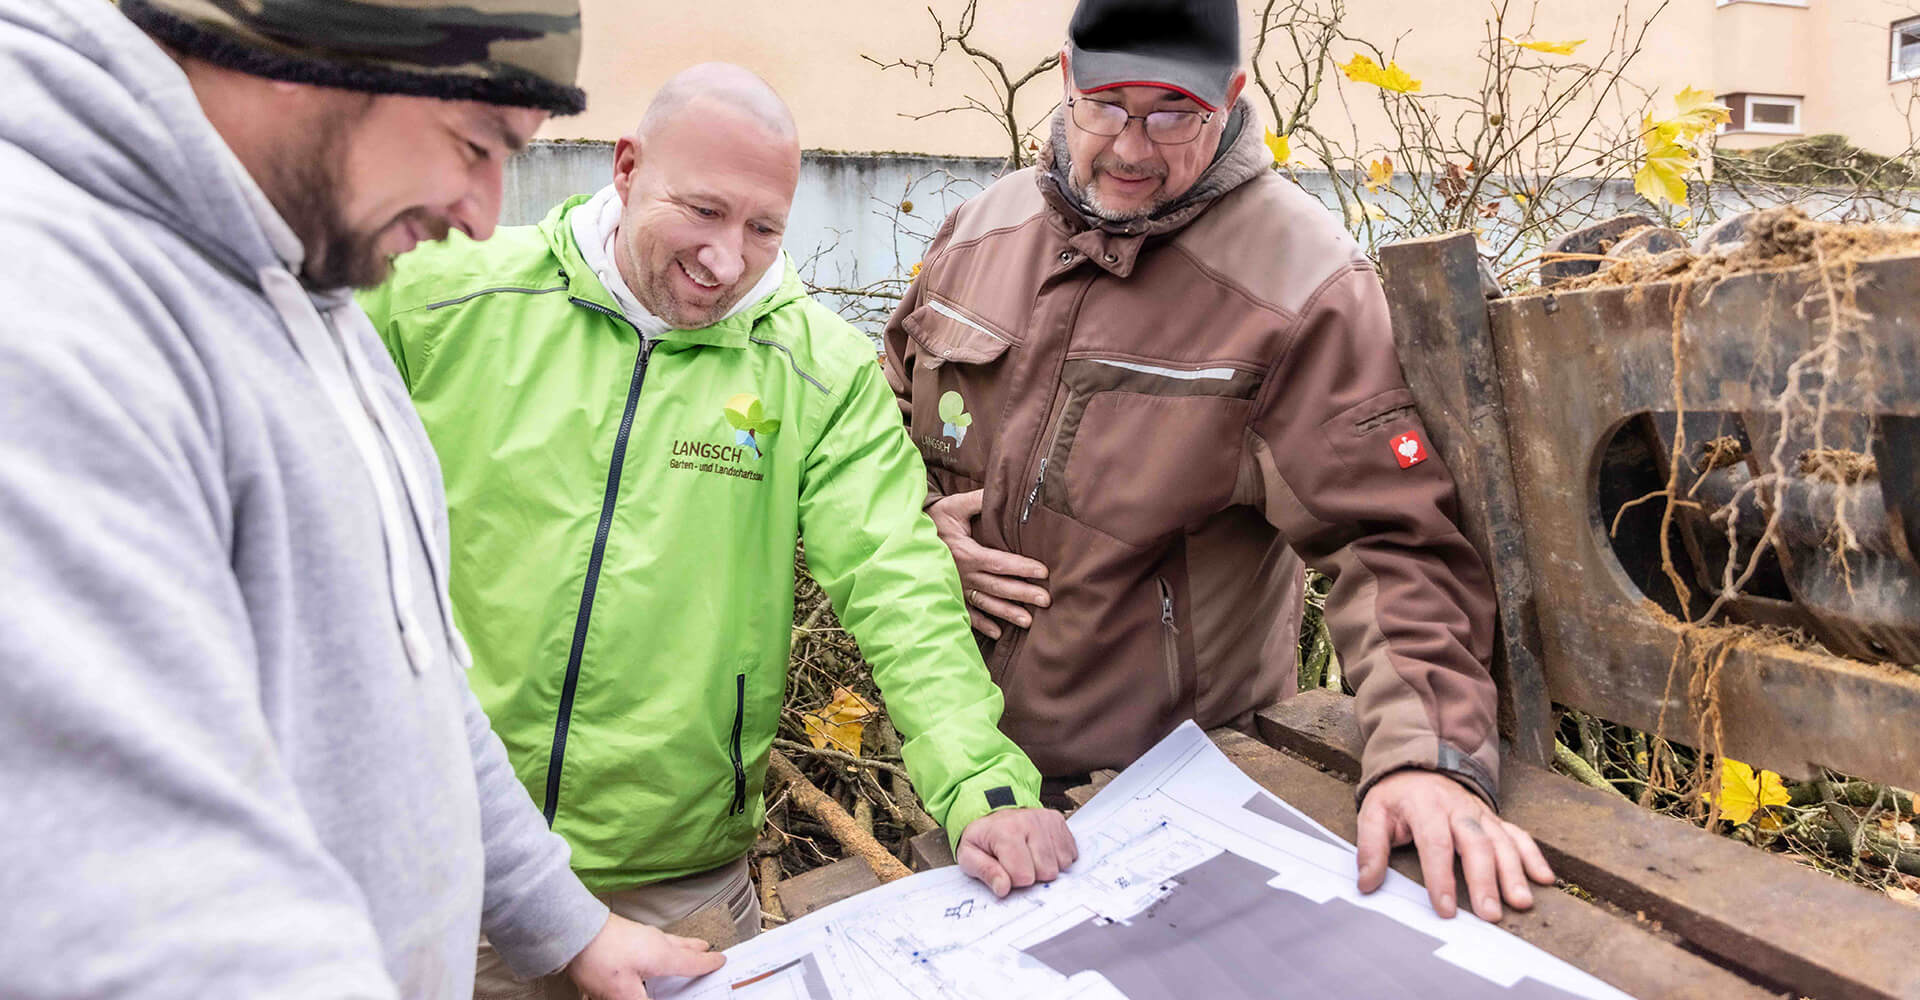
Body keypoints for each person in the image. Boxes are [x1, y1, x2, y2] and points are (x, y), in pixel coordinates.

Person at [0, 1, 727, 996]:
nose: (483, 214)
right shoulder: (50, 316)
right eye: (475, 143)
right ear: (310, 47)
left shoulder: (309, 280)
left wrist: (563, 919)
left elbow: (406, 677)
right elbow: (134, 905)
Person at [358, 63, 1076, 999]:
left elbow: (896, 577)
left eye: (764, 228)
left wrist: (981, 783)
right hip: (445, 855)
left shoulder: (817, 371)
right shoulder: (438, 295)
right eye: (702, 211)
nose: (728, 260)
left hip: (677, 880)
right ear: (626, 168)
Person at [884, 0, 1557, 923]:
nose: (1131, 147)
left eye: (1174, 114)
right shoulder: (980, 231)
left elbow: (1389, 541)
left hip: (1161, 804)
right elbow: (875, 438)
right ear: (1066, 80)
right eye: (1107, 106)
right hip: (946, 774)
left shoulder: (1301, 283)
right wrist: (919, 536)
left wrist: (1424, 756)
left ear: (1232, 96)